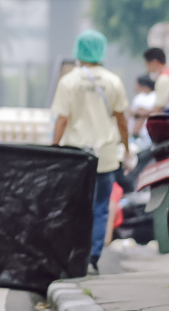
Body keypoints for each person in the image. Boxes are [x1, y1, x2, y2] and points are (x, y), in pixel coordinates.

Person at [52, 29, 132, 270]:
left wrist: (54, 148)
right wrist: (126, 147)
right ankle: (92, 257)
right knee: (100, 206)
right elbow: (122, 120)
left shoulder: (69, 81)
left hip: (76, 155)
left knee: (74, 206)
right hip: (105, 154)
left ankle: (73, 254)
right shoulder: (113, 81)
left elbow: (62, 119)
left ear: (78, 50)